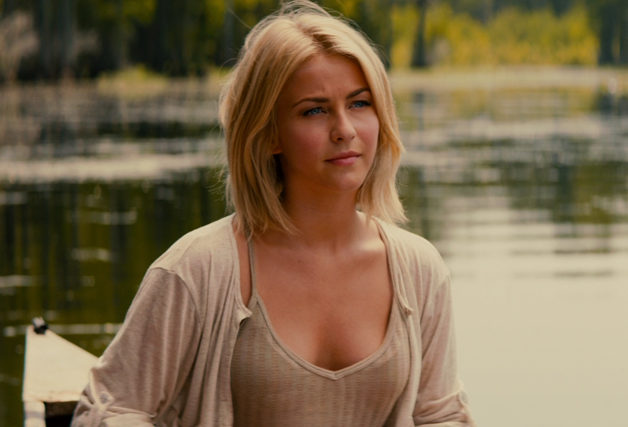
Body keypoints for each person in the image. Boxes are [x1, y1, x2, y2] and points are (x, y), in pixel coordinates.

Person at [72, 1, 474, 426]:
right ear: (268, 134)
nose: (345, 130)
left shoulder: (418, 270)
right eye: (314, 110)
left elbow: (441, 415)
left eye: (359, 103)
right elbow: (108, 411)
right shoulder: (196, 269)